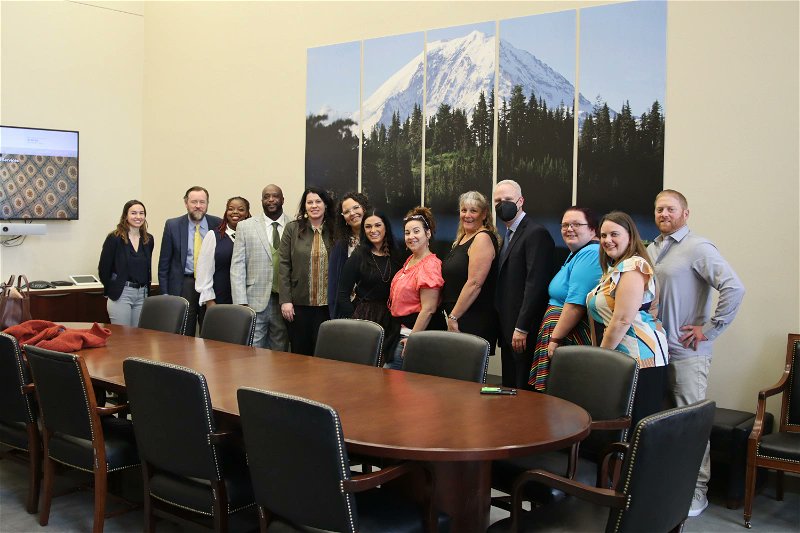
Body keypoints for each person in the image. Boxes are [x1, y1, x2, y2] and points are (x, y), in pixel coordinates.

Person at [647, 189, 745, 517]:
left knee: (692, 424)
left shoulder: (697, 248)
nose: (664, 214)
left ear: (685, 214)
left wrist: (710, 329)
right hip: (656, 353)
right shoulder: (651, 248)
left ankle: (696, 492)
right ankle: (666, 487)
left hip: (689, 354)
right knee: (660, 423)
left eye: (671, 209)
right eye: (660, 209)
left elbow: (734, 287)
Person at [586, 211, 669, 429]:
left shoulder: (633, 266)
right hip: (623, 356)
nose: (607, 240)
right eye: (603, 235)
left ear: (630, 237)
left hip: (640, 359)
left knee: (636, 428)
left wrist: (600, 358)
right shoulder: (615, 268)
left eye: (614, 234)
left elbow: (622, 319)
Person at [528, 207, 602, 391]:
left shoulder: (591, 253)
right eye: (565, 225)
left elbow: (576, 304)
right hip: (561, 332)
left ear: (592, 230)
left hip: (568, 335)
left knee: (565, 394)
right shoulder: (576, 252)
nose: (569, 229)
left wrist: (555, 339)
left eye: (576, 224)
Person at [493, 179, 555, 389]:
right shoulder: (508, 235)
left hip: (523, 329)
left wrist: (522, 327)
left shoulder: (535, 233)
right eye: (498, 201)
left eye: (508, 199)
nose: (503, 204)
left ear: (520, 201)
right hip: (506, 327)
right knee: (510, 385)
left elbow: (535, 284)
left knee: (523, 389)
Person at [231, 184, 292, 350]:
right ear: (262, 200)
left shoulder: (294, 225)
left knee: (280, 348)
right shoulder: (245, 226)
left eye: (275, 196)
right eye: (266, 196)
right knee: (254, 349)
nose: (271, 200)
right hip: (254, 300)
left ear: (282, 199)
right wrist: (240, 302)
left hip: (283, 301)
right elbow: (237, 266)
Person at [336, 209, 404, 358]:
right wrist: (354, 318)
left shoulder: (398, 254)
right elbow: (342, 294)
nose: (373, 230)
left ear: (386, 227)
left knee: (386, 368)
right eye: (368, 226)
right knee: (362, 366)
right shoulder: (359, 255)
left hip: (392, 320)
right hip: (364, 318)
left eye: (378, 225)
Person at [158, 186, 222, 336]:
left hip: (209, 285)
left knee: (210, 329)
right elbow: (164, 264)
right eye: (194, 202)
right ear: (186, 203)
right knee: (184, 331)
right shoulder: (172, 225)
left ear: (207, 203)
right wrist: (165, 294)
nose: (198, 206)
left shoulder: (218, 224)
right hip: (184, 284)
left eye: (202, 202)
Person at [441, 191, 499, 352]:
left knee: (467, 374)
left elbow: (475, 283)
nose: (467, 215)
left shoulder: (482, 238)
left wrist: (453, 317)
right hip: (458, 316)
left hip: (471, 318)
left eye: (473, 211)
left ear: (484, 214)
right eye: (463, 210)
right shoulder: (462, 238)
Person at [278, 186, 334, 355]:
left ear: (325, 205)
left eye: (318, 201)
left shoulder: (335, 230)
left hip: (327, 305)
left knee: (324, 351)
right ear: (304, 206)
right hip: (299, 304)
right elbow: (283, 265)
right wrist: (285, 300)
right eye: (309, 202)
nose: (314, 206)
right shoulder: (292, 229)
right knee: (300, 351)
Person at [387, 207, 444, 370]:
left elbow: (429, 309)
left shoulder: (430, 265)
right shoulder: (411, 260)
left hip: (412, 337)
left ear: (428, 234)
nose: (411, 236)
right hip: (399, 332)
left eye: (416, 231)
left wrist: (413, 338)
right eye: (407, 232)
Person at [98, 200, 155, 326]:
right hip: (121, 293)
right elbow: (103, 269)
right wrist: (112, 289)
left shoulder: (148, 239)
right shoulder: (114, 238)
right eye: (133, 213)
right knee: (122, 337)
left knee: (138, 338)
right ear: (125, 216)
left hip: (142, 294)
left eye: (141, 213)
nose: (138, 217)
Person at [195, 196, 251, 308]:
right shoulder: (213, 236)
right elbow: (204, 270)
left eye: (240, 209)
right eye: (230, 209)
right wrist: (209, 300)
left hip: (248, 300)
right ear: (226, 212)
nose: (235, 212)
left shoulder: (252, 236)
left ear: (247, 213)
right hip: (220, 300)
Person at [328, 192, 371, 319]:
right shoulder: (340, 247)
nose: (352, 213)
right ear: (344, 218)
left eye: (355, 207)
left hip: (377, 308)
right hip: (349, 310)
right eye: (346, 212)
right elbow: (334, 285)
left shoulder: (380, 240)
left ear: (364, 208)